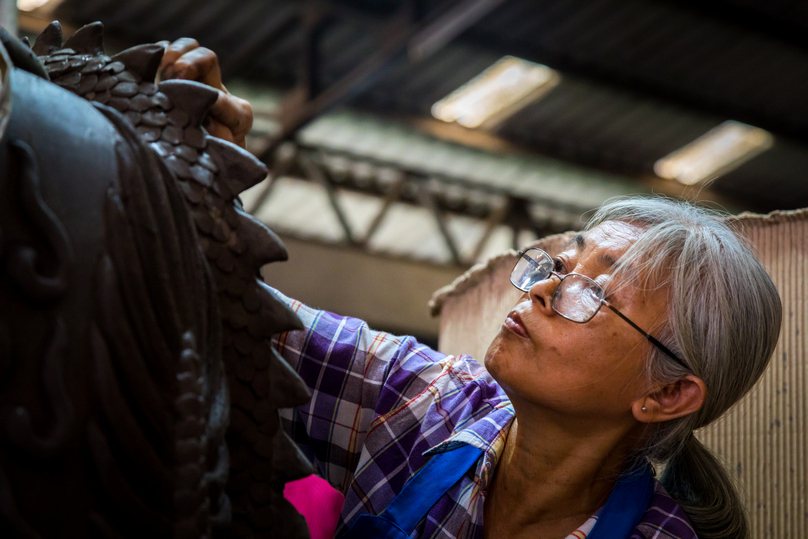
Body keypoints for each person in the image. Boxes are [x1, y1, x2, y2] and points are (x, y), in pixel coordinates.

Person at [162, 44, 782, 539]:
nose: (542, 293)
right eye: (556, 266)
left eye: (592, 293)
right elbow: (237, 320)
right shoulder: (428, 406)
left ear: (667, 393)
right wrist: (205, 173)